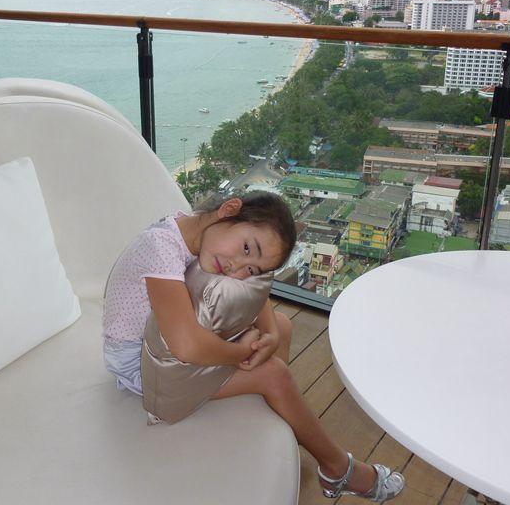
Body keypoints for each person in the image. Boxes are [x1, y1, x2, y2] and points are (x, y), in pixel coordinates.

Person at [103, 191, 404, 501]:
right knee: (273, 374)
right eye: (247, 248)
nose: (235, 268)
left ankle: (278, 423)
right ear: (229, 209)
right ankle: (338, 469)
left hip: (162, 341)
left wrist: (270, 332)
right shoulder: (161, 248)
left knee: (282, 327)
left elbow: (251, 292)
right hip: (141, 367)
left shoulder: (199, 230)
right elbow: (187, 347)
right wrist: (243, 353)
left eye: (250, 268)